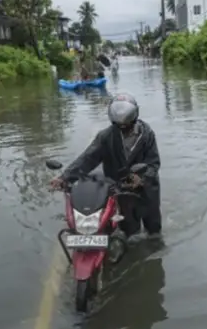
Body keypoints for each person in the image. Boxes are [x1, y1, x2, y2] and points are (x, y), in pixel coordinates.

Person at [50, 93, 162, 238]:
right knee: (129, 231)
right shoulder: (105, 137)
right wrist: (65, 177)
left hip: (146, 188)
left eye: (127, 124)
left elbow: (153, 163)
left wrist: (141, 178)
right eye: (119, 125)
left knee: (154, 230)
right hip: (121, 187)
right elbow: (87, 158)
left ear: (134, 118)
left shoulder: (147, 135)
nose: (124, 128)